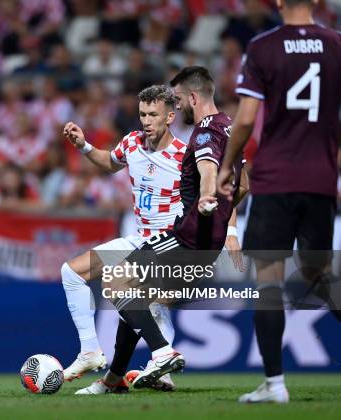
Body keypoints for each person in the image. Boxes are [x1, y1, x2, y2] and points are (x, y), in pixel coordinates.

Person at [75, 66, 248, 394]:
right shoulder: (230, 128)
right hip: (205, 241)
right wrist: (228, 227)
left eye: (179, 99)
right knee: (134, 295)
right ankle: (113, 380)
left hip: (188, 237)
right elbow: (244, 185)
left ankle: (162, 352)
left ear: (193, 97)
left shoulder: (205, 132)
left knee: (115, 281)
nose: (178, 105)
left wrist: (209, 199)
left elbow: (208, 171)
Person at [217, 0, 341, 404]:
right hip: (321, 179)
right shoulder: (336, 43)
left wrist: (228, 164)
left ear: (279, 1)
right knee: (318, 277)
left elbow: (248, 118)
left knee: (268, 282)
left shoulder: (264, 46)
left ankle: (275, 385)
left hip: (275, 178)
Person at [61, 85, 186, 391]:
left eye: (153, 115)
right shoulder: (132, 143)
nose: (146, 120)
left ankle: (157, 363)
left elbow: (216, 192)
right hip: (139, 238)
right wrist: (84, 146)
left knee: (133, 293)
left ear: (169, 116)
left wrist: (228, 234)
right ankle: (91, 351)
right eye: (142, 114)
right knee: (72, 272)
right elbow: (110, 162)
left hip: (170, 242)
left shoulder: (185, 156)